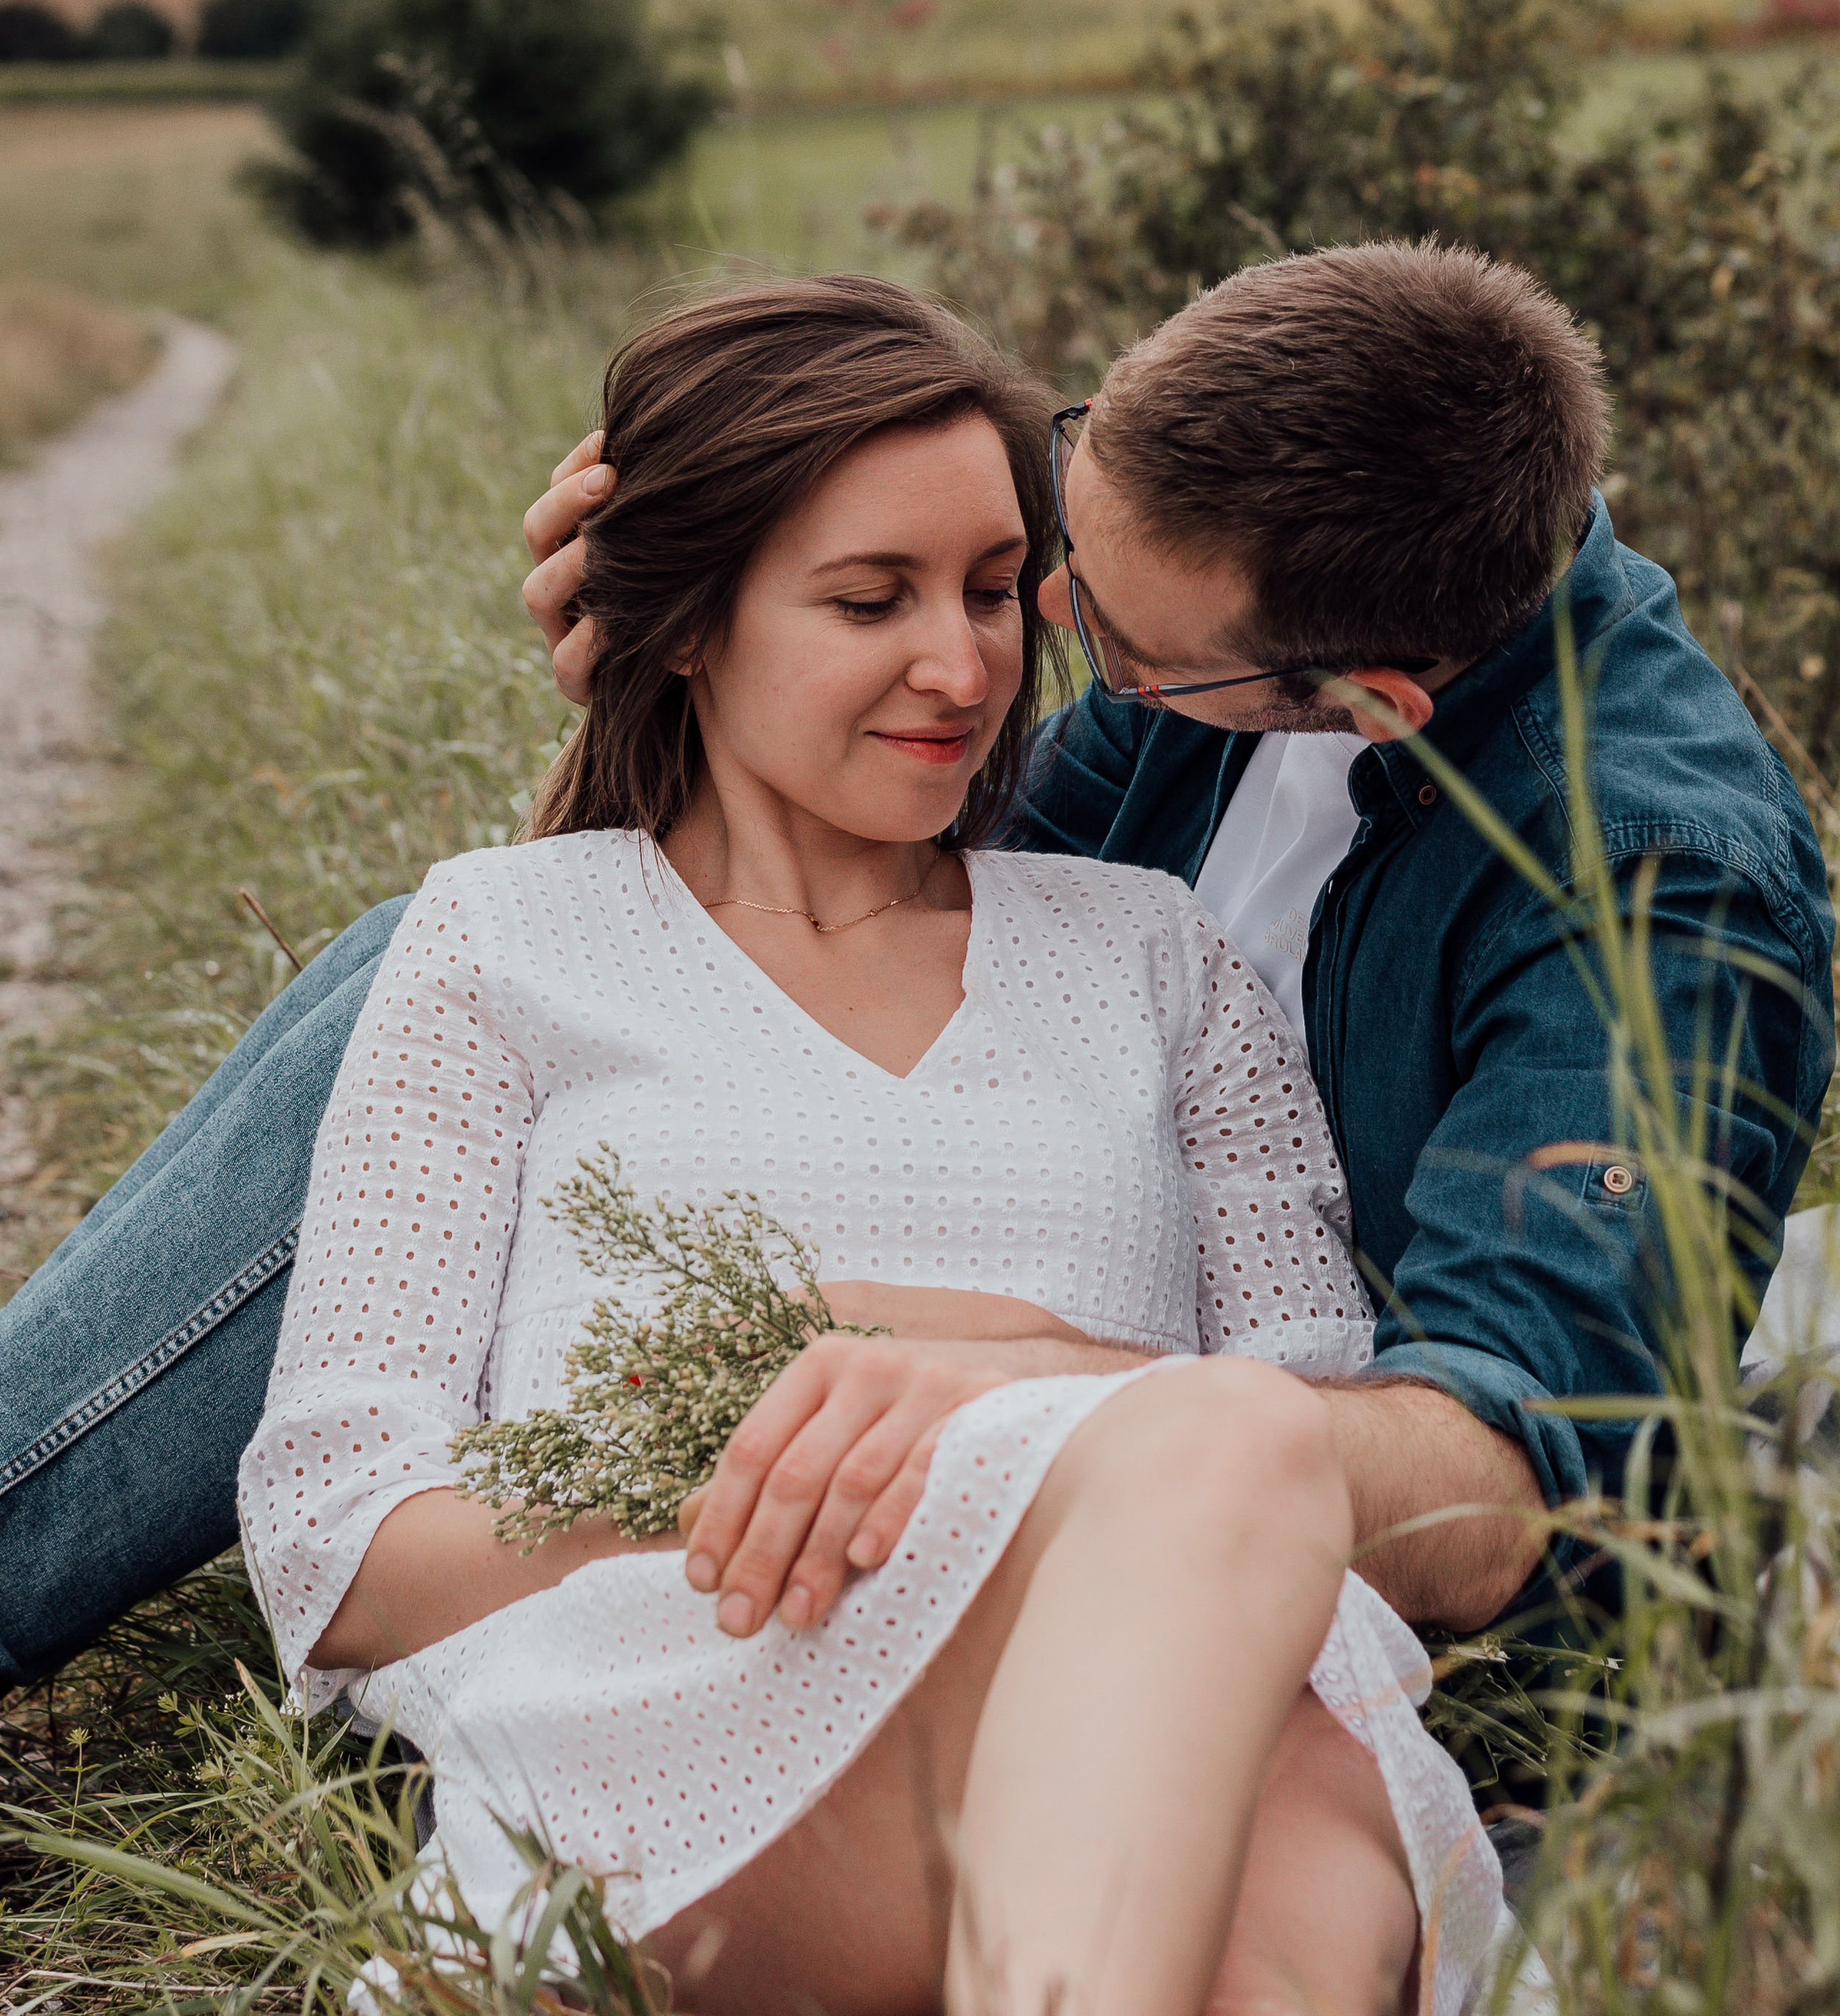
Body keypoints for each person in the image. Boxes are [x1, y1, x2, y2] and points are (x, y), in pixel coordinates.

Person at [0, 240, 1833, 1706]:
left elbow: (1498, 1485)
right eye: (1054, 532)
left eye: (1091, 633)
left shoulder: (1649, 882)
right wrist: (697, 673)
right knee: (460, 956)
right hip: (973, 1317)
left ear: (1368, 702)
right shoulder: (1227, 586)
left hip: (1256, 1445)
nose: (1029, 643)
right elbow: (877, 948)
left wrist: (1045, 1394)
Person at [240, 273, 1499, 2015]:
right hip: (723, 1739)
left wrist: (990, 1385)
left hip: (1191, 1694)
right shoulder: (502, 944)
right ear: (688, 622)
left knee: (1268, 1732)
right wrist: (748, 1452)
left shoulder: (1150, 952)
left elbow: (1312, 1438)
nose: (964, 663)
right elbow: (337, 1537)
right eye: (867, 597)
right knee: (1215, 1458)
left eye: (994, 591)